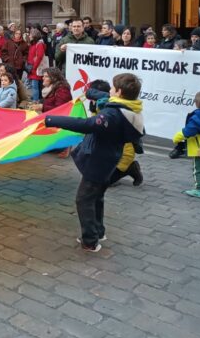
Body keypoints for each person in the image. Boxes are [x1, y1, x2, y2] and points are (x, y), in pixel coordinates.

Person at [46, 73, 144, 251]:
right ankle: (98, 231)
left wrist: (51, 119)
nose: (110, 90)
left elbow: (87, 124)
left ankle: (90, 241)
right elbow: (105, 97)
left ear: (119, 92)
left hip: (99, 162)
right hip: (109, 159)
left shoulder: (113, 115)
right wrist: (91, 92)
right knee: (97, 197)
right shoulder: (130, 107)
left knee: (84, 199)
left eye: (113, 88)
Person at [25, 28, 46, 102]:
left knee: (35, 86)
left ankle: (35, 100)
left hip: (36, 69)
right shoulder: (33, 44)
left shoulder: (39, 44)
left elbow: (39, 57)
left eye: (30, 35)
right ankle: (39, 99)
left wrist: (34, 67)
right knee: (38, 86)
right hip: (34, 68)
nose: (29, 36)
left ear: (34, 35)